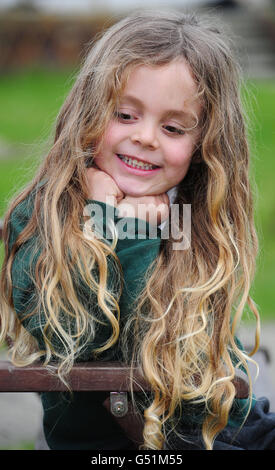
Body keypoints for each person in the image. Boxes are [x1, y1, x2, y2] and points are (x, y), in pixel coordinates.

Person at [0, 10, 274, 451]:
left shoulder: (186, 215)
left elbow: (197, 349)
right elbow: (82, 336)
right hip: (122, 436)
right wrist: (120, 226)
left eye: (172, 127)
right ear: (89, 113)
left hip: (203, 422)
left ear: (204, 143)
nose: (146, 137)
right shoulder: (47, 215)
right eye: (125, 115)